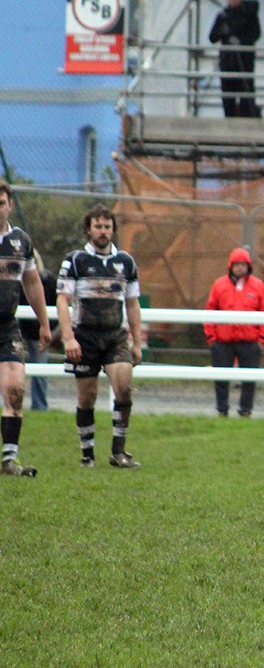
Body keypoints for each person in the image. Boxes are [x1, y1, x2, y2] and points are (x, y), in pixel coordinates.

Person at [57, 204, 143, 469]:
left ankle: (118, 453)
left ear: (113, 229)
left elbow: (132, 303)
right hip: (84, 337)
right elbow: (62, 299)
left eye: (107, 226)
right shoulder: (76, 260)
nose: (103, 231)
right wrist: (69, 337)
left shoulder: (125, 262)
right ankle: (87, 455)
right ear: (88, 229)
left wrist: (137, 341)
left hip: (115, 336)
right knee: (87, 396)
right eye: (98, 226)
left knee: (124, 388)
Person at [0, 183, 52, 477]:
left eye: (1, 202)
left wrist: (44, 323)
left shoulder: (21, 242)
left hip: (7, 327)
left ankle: (9, 460)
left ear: (9, 205)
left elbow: (32, 284)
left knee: (16, 389)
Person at [204, 247, 264, 418]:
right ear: (231, 266)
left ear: (248, 266)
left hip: (249, 341)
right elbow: (209, 311)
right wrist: (212, 338)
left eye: (243, 264)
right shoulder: (219, 285)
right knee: (221, 378)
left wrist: (262, 339)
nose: (240, 268)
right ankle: (222, 409)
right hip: (223, 340)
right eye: (237, 264)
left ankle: (246, 410)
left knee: (249, 379)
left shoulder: (258, 286)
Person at [209, 0, 261, 118]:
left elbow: (255, 34)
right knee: (228, 99)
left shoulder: (248, 14)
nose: (232, 0)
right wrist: (224, 33)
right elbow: (212, 37)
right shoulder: (223, 16)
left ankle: (247, 124)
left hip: (244, 63)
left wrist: (241, 41)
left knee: (246, 98)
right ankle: (229, 124)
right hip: (228, 64)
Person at [19, 250, 58, 412]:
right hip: (18, 328)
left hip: (38, 331)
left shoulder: (48, 281)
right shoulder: (16, 280)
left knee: (40, 368)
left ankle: (39, 405)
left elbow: (58, 304)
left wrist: (53, 329)